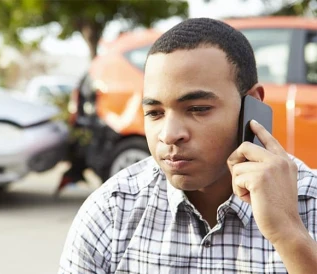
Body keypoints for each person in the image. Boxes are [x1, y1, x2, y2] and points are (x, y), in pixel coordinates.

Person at [58, 18, 317, 273]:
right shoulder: (111, 211)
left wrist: (290, 235)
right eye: (155, 113)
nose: (169, 135)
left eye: (197, 109)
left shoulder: (309, 204)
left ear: (252, 104)